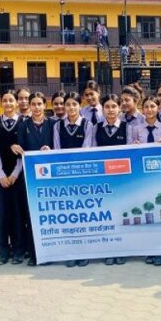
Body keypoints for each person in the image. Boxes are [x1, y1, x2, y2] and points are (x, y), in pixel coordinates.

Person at [13, 92, 55, 266]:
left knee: (49, 214)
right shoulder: (23, 126)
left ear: (45, 105)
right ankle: (34, 254)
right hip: (29, 177)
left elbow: (58, 147)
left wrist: (50, 150)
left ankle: (51, 252)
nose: (36, 107)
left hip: (50, 177)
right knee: (31, 215)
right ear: (29, 106)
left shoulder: (53, 124)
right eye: (34, 104)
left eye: (39, 104)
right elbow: (20, 151)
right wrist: (16, 148)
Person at [53, 92, 95, 267]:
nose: (70, 108)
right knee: (68, 216)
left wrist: (76, 169)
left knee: (83, 215)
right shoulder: (57, 126)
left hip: (82, 175)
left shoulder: (88, 125)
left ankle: (84, 252)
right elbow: (57, 149)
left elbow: (87, 149)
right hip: (64, 176)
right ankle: (70, 251)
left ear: (80, 106)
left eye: (74, 104)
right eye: (68, 104)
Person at [0, 90, 25, 265]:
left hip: (18, 174)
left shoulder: (23, 122)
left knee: (17, 213)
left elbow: (24, 150)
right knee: (2, 213)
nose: (8, 103)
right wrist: (1, 175)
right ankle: (3, 250)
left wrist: (15, 174)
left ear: (17, 103)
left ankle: (18, 250)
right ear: (1, 103)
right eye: (5, 100)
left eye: (11, 100)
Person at [92, 94, 130, 266]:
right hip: (103, 179)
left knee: (121, 214)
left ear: (120, 108)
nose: (111, 109)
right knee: (106, 216)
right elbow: (92, 151)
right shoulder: (96, 128)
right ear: (103, 109)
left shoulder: (127, 127)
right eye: (107, 106)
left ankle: (122, 250)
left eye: (114, 106)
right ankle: (108, 250)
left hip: (122, 178)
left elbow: (131, 152)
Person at [133, 95, 161, 266]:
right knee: (147, 212)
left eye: (152, 106)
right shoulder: (136, 129)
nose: (149, 110)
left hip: (160, 176)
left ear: (158, 108)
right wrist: (133, 146)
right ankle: (149, 248)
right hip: (142, 177)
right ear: (142, 109)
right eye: (146, 106)